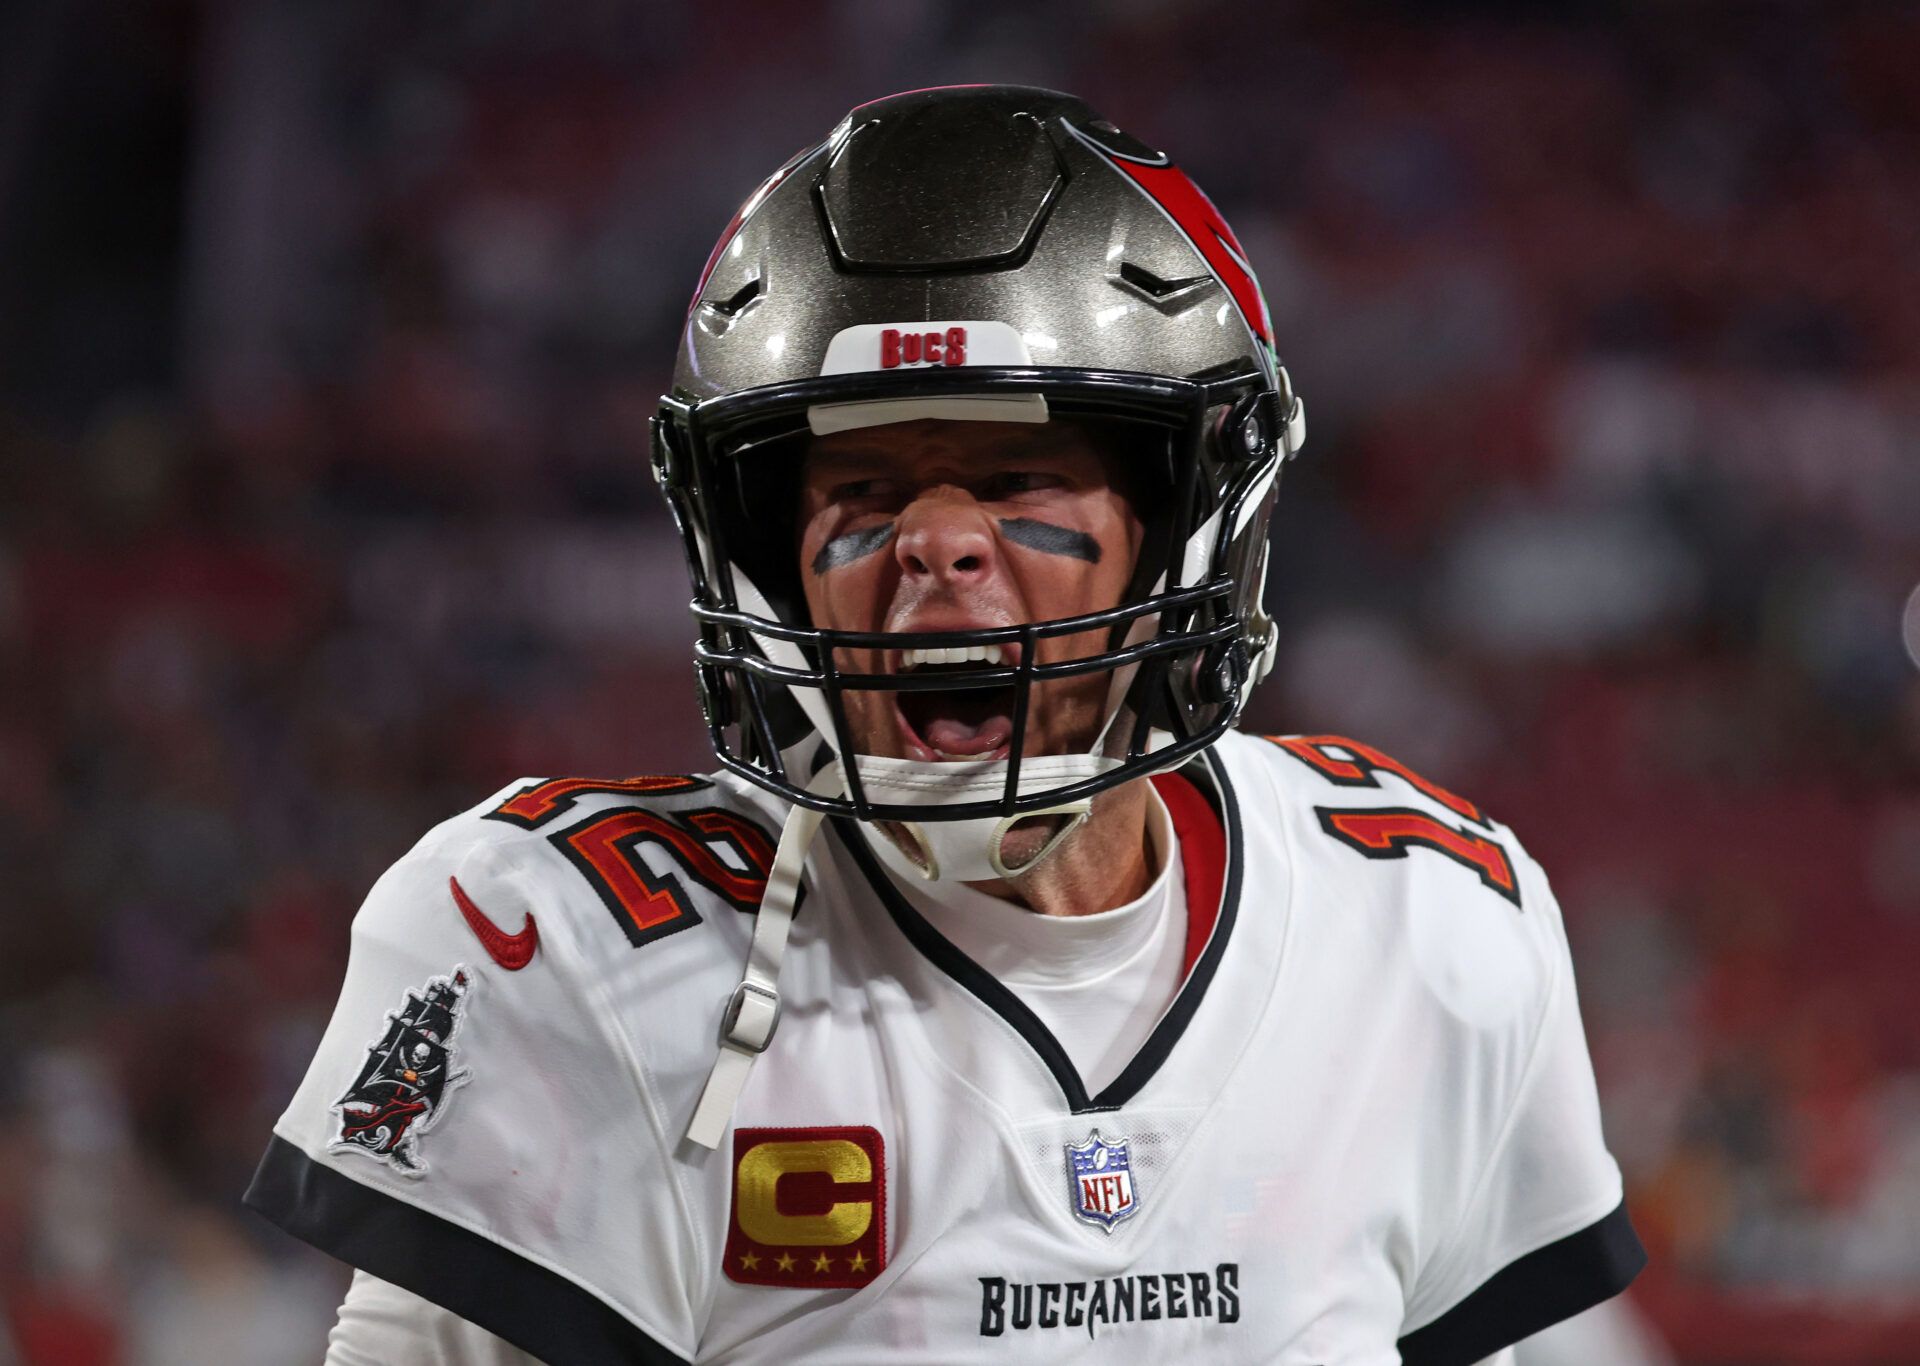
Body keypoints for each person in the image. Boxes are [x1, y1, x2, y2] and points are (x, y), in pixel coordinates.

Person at [247, 85, 1645, 1364]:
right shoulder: (574, 950)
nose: (936, 547)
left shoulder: (1428, 921)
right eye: (858, 494)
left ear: (1182, 530)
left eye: (1018, 469)